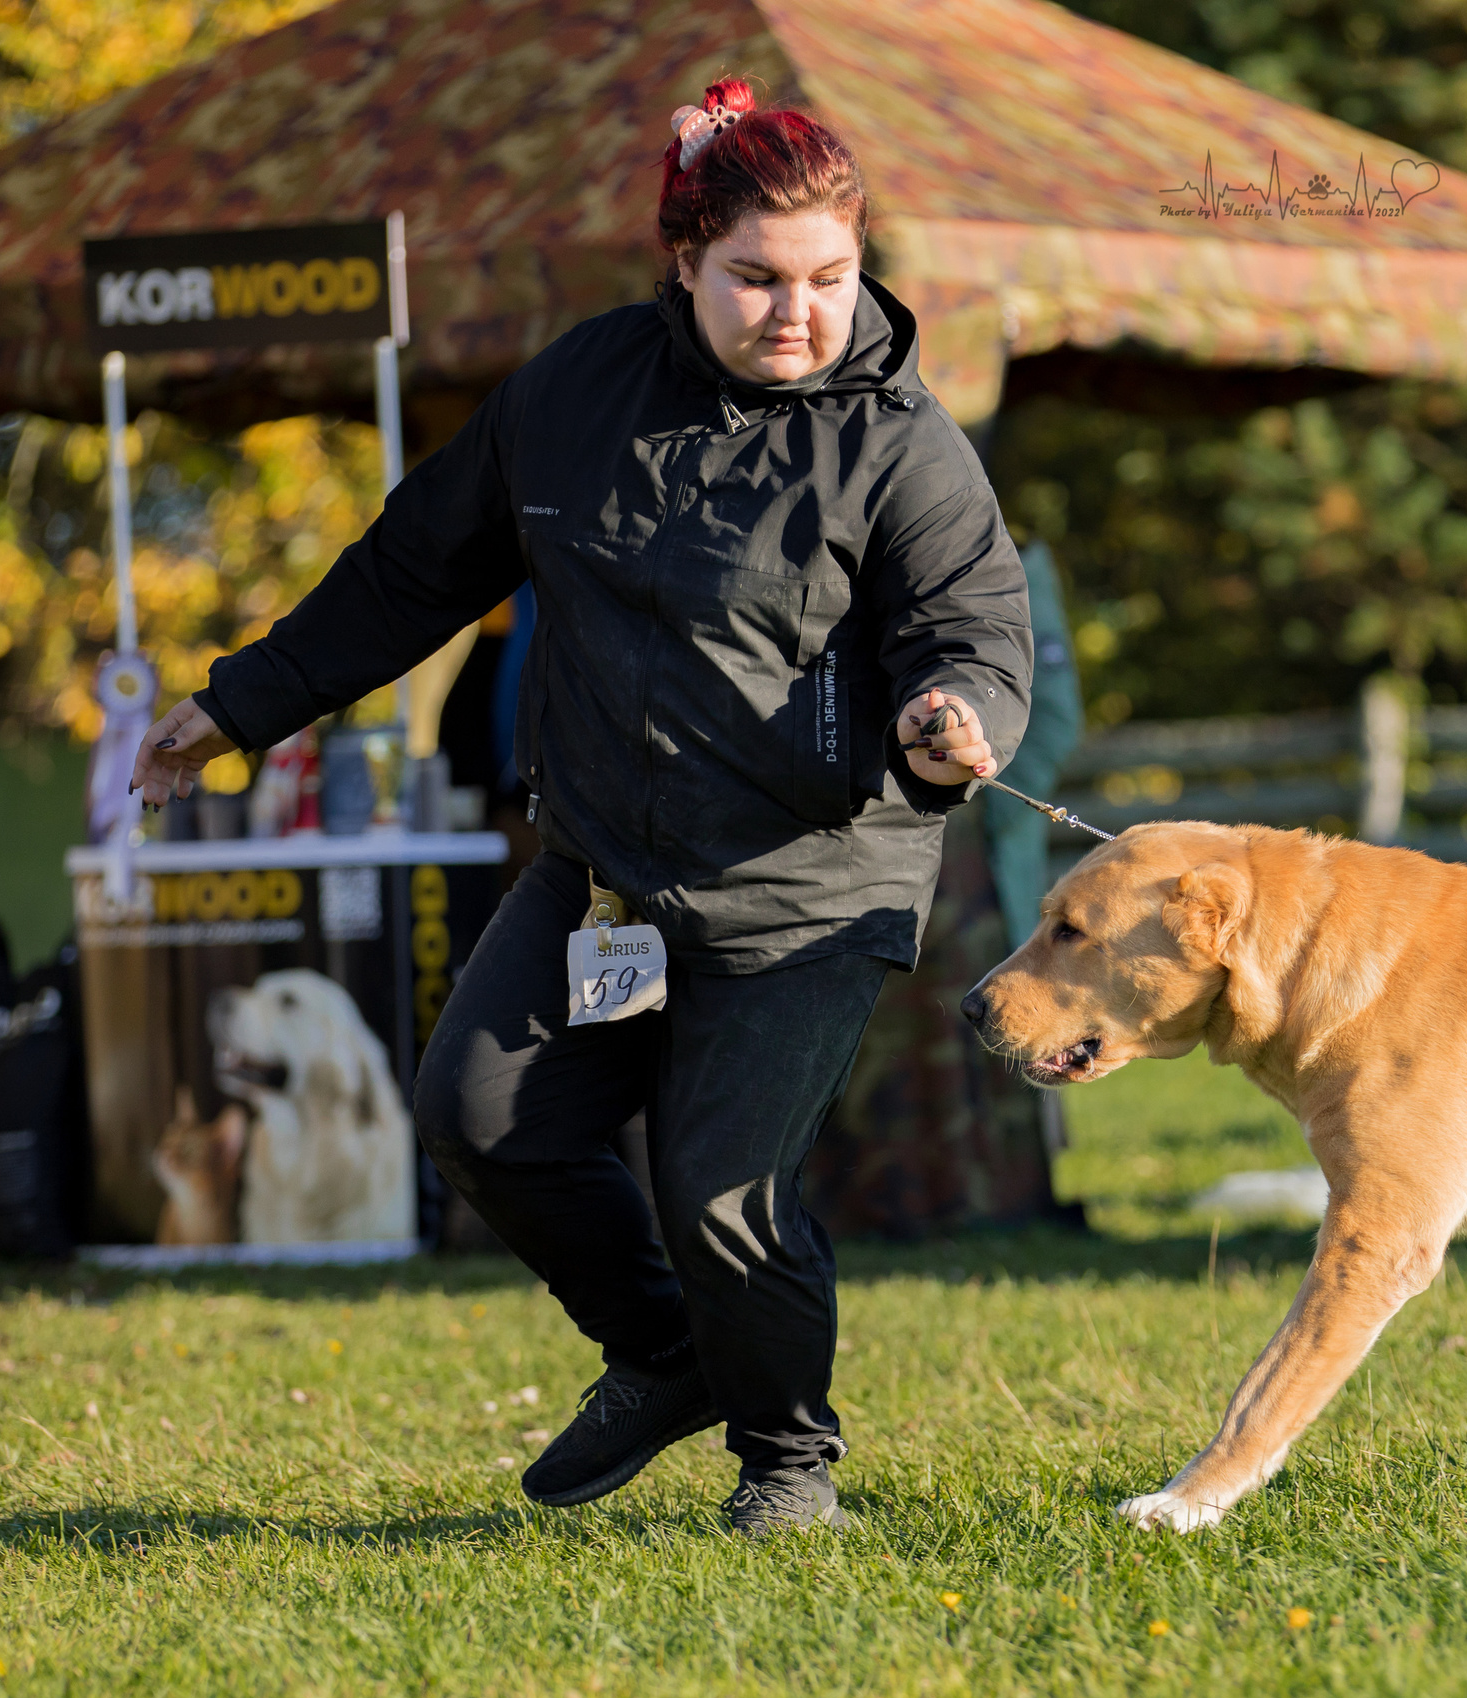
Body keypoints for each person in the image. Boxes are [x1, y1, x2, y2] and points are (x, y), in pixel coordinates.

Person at [130, 81, 1032, 1539]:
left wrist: (955, 715)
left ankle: (788, 1467)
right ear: (681, 262)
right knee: (482, 1115)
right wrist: (238, 705)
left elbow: (972, 623)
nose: (795, 314)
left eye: (827, 279)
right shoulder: (568, 397)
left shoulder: (903, 443)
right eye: (755, 280)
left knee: (724, 1191)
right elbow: (413, 571)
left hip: (811, 877)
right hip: (611, 867)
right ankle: (668, 1353)